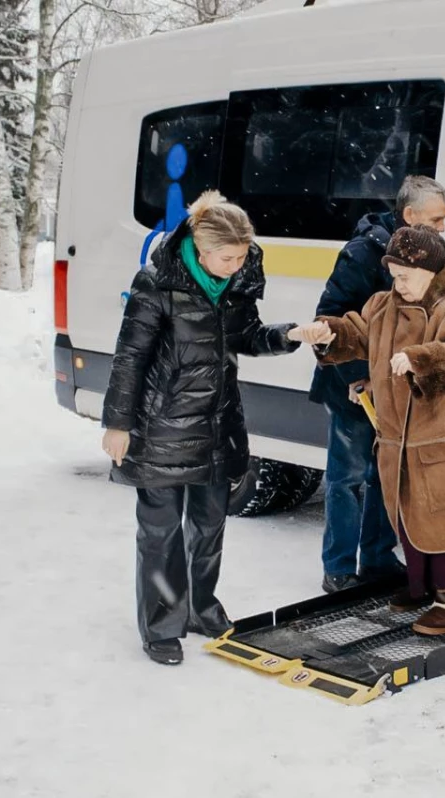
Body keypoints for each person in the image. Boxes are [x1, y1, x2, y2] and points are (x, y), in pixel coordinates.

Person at [102, 191, 331, 666]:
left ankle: (201, 608)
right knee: (161, 533)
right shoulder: (157, 284)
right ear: (201, 249)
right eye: (227, 257)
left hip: (217, 423)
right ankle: (162, 627)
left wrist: (290, 334)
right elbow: (130, 358)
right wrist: (118, 424)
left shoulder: (236, 283)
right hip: (161, 425)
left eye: (243, 256)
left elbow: (247, 336)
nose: (236, 265)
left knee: (208, 525)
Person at [308, 175, 445, 595]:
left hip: (397, 389)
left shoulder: (428, 256)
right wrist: (360, 377)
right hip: (353, 385)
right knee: (349, 477)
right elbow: (333, 315)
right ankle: (338, 568)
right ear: (409, 216)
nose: (444, 227)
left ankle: (376, 558)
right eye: (437, 218)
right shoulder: (362, 254)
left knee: (387, 477)